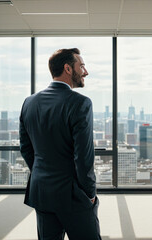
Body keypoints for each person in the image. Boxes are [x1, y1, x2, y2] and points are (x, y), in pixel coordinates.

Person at [19, 48, 101, 240]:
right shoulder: (80, 103)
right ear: (68, 68)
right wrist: (89, 194)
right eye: (81, 66)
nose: (86, 72)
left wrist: (43, 175)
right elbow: (83, 157)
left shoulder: (29, 102)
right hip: (73, 194)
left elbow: (26, 149)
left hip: (42, 191)